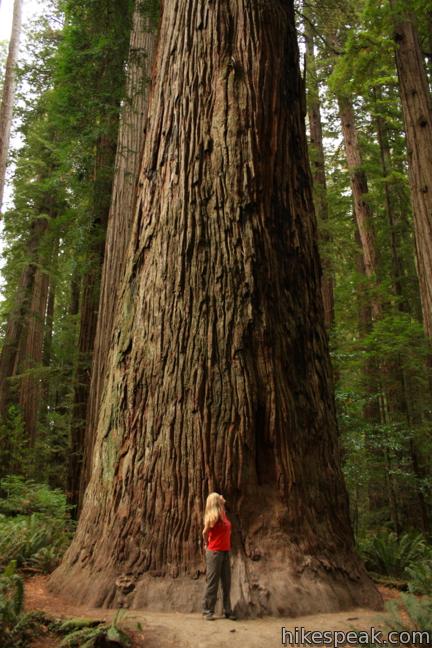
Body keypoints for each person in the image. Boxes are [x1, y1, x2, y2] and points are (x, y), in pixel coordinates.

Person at [202, 492, 237, 621]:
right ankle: (207, 611)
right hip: (215, 553)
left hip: (225, 551)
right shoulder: (214, 516)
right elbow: (204, 532)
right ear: (216, 501)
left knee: (226, 582)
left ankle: (227, 610)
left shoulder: (223, 513)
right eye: (219, 496)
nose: (222, 496)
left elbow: (223, 501)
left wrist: (222, 501)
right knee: (213, 582)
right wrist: (207, 543)